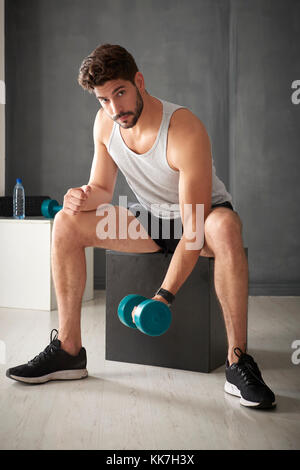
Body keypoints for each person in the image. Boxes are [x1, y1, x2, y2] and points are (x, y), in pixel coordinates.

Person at [6, 44, 275, 409]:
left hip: (203, 217)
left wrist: (163, 296)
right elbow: (103, 188)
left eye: (120, 93)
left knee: (226, 228)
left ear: (139, 81)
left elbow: (193, 230)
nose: (115, 109)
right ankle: (69, 351)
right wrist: (81, 197)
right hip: (151, 218)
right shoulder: (105, 124)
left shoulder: (184, 128)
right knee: (66, 223)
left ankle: (238, 361)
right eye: (103, 100)